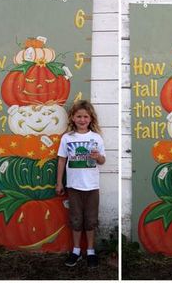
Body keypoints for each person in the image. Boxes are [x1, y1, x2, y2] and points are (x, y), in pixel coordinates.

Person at [56, 100, 106, 268]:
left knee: (90, 220)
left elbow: (103, 160)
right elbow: (62, 160)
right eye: (79, 116)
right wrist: (59, 183)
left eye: (85, 116)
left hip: (92, 186)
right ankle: (76, 250)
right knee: (76, 219)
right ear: (72, 117)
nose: (82, 119)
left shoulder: (96, 138)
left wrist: (97, 157)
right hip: (73, 186)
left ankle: (90, 251)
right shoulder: (67, 138)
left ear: (91, 118)